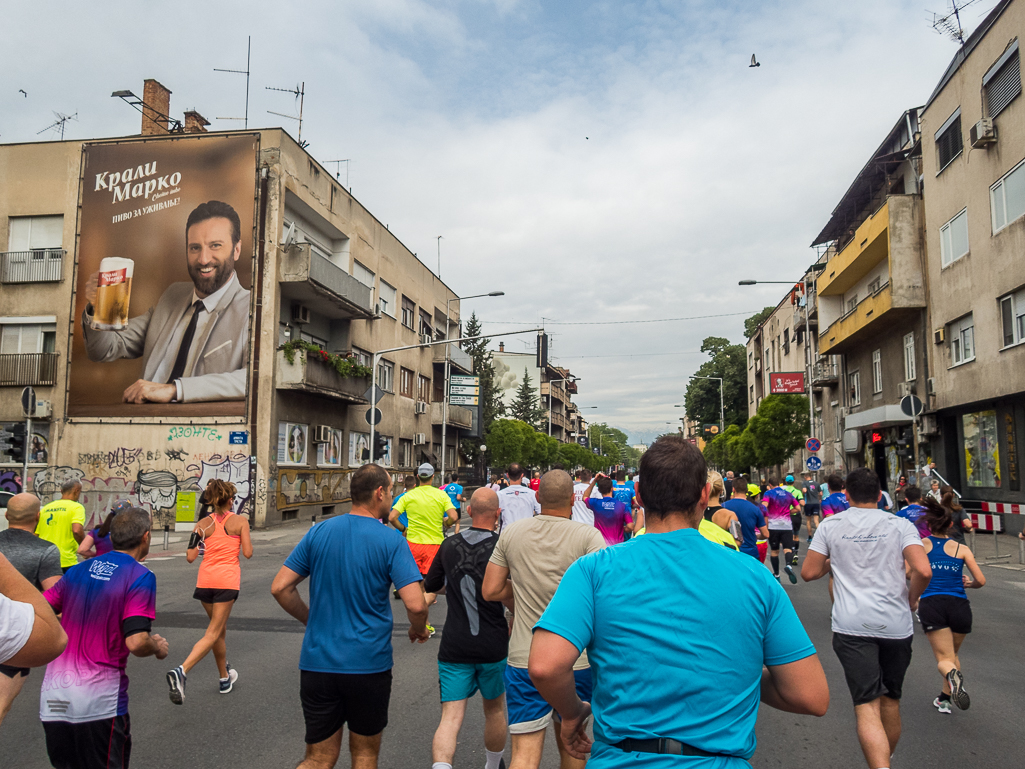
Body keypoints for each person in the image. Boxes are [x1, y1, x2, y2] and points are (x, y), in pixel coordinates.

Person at [529, 436, 829, 768]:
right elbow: (810, 695)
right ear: (704, 494)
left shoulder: (593, 570)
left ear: (639, 497)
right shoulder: (754, 576)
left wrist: (572, 713)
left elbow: (545, 666)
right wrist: (732, 668)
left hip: (620, 757)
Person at [271, 464, 429, 769]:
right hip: (368, 665)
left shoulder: (319, 532)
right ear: (379, 493)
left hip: (318, 664)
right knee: (365, 756)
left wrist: (311, 618)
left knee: (317, 758)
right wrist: (418, 629)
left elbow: (280, 587)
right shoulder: (391, 541)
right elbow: (416, 605)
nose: (392, 500)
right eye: (391, 493)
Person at [801, 467, 931, 769]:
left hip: (852, 626)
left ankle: (880, 764)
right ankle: (886, 758)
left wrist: (835, 560)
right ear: (879, 495)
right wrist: (911, 599)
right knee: (891, 700)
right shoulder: (900, 526)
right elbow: (923, 570)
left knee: (867, 706)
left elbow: (808, 572)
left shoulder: (832, 526)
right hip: (897, 626)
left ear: (846, 495)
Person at [482, 470, 605, 769]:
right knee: (573, 747)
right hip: (576, 660)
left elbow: (491, 589)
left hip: (525, 658)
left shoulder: (512, 533)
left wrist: (522, 588)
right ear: (572, 498)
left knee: (524, 754)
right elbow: (605, 599)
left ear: (537, 497)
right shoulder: (589, 537)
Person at [81, 200, 251, 403]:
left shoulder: (252, 308)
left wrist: (175, 390)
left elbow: (255, 377)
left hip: (202, 431)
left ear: (237, 249)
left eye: (215, 246)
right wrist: (99, 307)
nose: (204, 259)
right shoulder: (172, 295)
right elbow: (104, 350)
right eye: (195, 248)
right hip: (147, 423)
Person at [39, 507, 169, 769]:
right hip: (99, 702)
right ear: (145, 537)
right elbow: (136, 641)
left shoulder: (77, 570)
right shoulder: (139, 576)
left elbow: (39, 611)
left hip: (54, 698)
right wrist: (157, 646)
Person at [424, 488, 509, 769]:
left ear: (469, 512)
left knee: (450, 717)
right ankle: (492, 764)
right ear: (498, 514)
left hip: (454, 643)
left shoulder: (448, 545)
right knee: (495, 709)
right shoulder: (502, 546)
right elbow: (513, 593)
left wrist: (458, 588)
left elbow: (432, 584)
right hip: (493, 642)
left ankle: (441, 766)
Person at [166, 479, 253, 704]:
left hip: (205, 583)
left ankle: (224, 677)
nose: (234, 500)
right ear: (229, 500)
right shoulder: (240, 521)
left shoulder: (202, 524)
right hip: (227, 583)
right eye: (233, 497)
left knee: (219, 631)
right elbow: (248, 553)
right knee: (213, 633)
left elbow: (190, 557)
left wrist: (204, 541)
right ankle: (181, 671)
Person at [0, 494, 64, 724]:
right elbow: (56, 598)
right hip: (19, 635)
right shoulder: (45, 550)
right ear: (39, 516)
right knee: (2, 705)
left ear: (7, 516)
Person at [918, 498, 985, 714]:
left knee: (944, 660)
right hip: (960, 605)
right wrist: (970, 584)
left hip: (933, 603)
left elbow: (910, 573)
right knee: (952, 655)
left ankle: (953, 683)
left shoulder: (921, 546)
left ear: (929, 525)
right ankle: (945, 698)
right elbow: (981, 581)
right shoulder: (961, 549)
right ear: (950, 524)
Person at [389, 463, 458, 577]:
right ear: (433, 477)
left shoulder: (408, 496)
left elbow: (392, 517)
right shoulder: (441, 495)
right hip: (434, 544)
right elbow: (454, 516)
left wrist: (403, 529)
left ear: (418, 476)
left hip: (413, 544)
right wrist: (446, 523)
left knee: (414, 581)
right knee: (430, 585)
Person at [36, 480, 86, 572]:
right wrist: (84, 547)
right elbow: (77, 531)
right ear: (77, 490)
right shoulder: (76, 507)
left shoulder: (46, 508)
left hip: (44, 559)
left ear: (61, 491)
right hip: (65, 560)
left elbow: (37, 534)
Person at [762, 478, 800, 583]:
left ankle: (777, 575)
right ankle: (788, 565)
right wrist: (788, 512)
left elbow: (764, 507)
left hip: (773, 526)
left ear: (770, 485)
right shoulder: (788, 494)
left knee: (774, 551)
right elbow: (798, 508)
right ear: (779, 484)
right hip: (786, 525)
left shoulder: (768, 493)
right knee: (788, 549)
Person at [580, 473, 634, 546]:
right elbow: (630, 526)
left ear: (599, 490)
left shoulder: (596, 503)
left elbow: (584, 497)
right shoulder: (622, 506)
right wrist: (621, 528)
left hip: (600, 545)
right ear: (612, 488)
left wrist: (594, 481)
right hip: (617, 546)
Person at [723, 475, 768, 560]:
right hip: (750, 553)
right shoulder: (755, 509)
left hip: (731, 552)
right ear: (746, 491)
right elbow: (766, 534)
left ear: (733, 489)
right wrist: (756, 536)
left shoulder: (724, 506)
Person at [495, 464, 541, 531]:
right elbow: (540, 512)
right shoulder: (532, 494)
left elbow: (494, 514)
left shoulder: (499, 494)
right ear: (522, 475)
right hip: (527, 532)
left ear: (507, 475)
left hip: (507, 533)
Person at [781, 474, 805, 564]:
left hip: (786, 516)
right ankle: (795, 553)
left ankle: (790, 553)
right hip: (796, 516)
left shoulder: (783, 491)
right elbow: (803, 503)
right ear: (794, 482)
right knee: (796, 536)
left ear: (786, 482)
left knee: (788, 536)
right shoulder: (797, 491)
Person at [801, 472, 822, 542]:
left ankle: (810, 537)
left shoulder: (805, 483)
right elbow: (821, 493)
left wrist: (804, 493)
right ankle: (821, 536)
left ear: (805, 477)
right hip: (816, 503)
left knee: (808, 521)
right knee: (816, 521)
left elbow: (804, 490)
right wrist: (818, 498)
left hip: (808, 503)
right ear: (811, 477)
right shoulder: (817, 483)